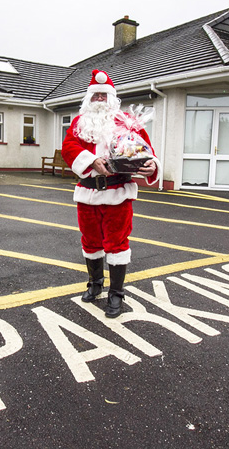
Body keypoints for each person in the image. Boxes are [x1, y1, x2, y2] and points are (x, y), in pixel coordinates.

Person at [62, 69, 160, 318]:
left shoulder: (127, 121)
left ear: (112, 98)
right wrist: (92, 160)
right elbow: (69, 148)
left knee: (117, 244)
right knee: (90, 241)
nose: (99, 101)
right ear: (88, 98)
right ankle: (95, 284)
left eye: (104, 96)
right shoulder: (79, 123)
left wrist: (153, 165)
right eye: (95, 96)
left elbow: (145, 149)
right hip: (88, 193)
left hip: (118, 193)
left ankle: (116, 294)